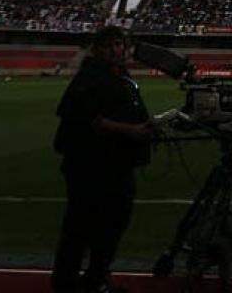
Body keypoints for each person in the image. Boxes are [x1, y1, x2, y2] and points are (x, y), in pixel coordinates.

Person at [50, 26, 153, 293]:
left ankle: (95, 280)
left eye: (119, 44)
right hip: (90, 165)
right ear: (97, 50)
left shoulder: (120, 75)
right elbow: (88, 119)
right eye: (109, 45)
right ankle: (66, 284)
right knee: (80, 229)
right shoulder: (90, 77)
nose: (116, 50)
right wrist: (132, 131)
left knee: (112, 227)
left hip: (118, 163)